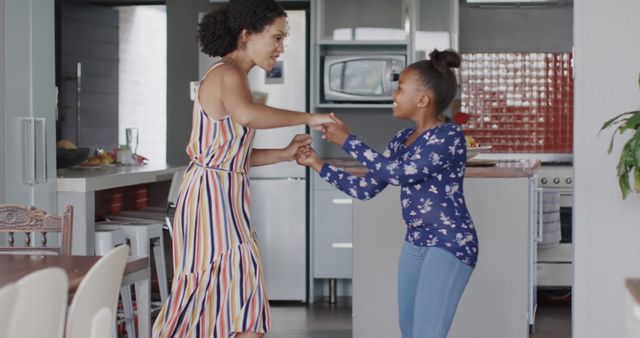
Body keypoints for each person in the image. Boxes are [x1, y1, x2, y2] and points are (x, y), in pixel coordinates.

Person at [152, 1, 333, 337]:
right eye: (276, 38)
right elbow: (249, 116)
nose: (281, 48)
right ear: (247, 35)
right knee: (230, 286)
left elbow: (230, 156)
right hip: (210, 201)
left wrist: (283, 153)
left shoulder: (234, 75)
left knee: (229, 293)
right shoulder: (227, 73)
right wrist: (309, 117)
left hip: (222, 195)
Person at [296, 49, 478, 338]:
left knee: (427, 334)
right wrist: (317, 164)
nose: (394, 93)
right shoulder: (401, 140)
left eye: (400, 88)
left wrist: (348, 141)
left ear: (423, 99)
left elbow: (399, 174)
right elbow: (365, 189)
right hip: (416, 242)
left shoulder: (448, 138)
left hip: (449, 242)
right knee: (410, 330)